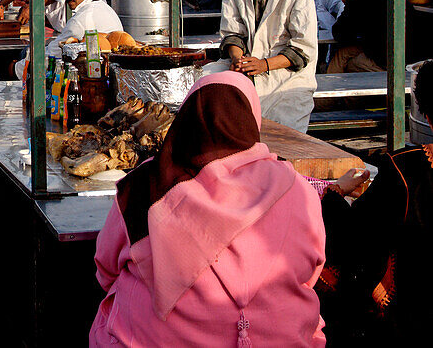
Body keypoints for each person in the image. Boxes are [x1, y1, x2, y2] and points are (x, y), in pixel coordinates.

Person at [90, 72, 326, 347]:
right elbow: (311, 270)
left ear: (186, 120)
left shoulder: (145, 186)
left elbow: (106, 270)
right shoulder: (295, 187)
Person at [314, 60, 433, 344]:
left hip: (412, 324)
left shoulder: (405, 171)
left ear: (426, 115)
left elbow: (353, 237)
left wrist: (334, 195)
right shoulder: (403, 171)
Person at [219, 0, 317, 132]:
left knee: (282, 144)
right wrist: (238, 59)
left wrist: (264, 64)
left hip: (288, 81)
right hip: (247, 74)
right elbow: (232, 33)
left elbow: (303, 49)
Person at [327, 0, 386, 73]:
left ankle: (332, 83)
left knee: (349, 63)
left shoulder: (357, 0)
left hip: (387, 61)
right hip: (396, 52)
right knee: (342, 53)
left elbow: (339, 32)